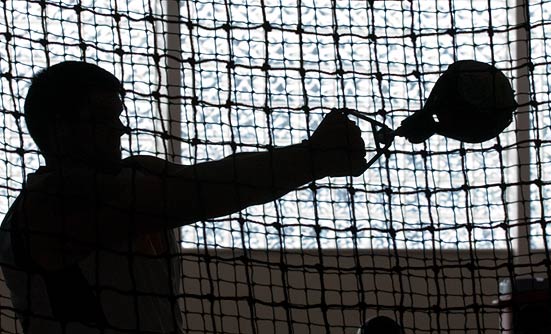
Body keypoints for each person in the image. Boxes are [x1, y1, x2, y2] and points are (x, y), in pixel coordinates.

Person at [0, 61, 366, 333]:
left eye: (119, 115)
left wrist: (311, 159)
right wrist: (311, 157)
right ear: (60, 129)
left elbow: (208, 182)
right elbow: (199, 192)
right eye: (101, 117)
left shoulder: (139, 173)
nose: (120, 128)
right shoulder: (43, 207)